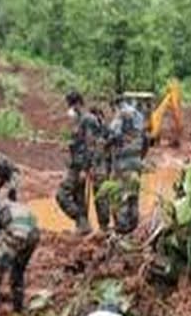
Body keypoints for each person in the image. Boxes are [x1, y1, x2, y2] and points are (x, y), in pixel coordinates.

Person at [56, 91, 109, 234]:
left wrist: (86, 169)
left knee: (63, 194)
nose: (70, 109)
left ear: (78, 103)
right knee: (78, 196)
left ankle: (101, 228)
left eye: (72, 105)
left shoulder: (88, 120)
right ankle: (83, 225)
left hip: (85, 166)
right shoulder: (79, 121)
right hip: (76, 165)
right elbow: (79, 144)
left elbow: (91, 145)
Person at [108, 97, 147, 234]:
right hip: (136, 163)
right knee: (133, 195)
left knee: (120, 196)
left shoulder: (120, 116)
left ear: (115, 105)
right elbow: (146, 140)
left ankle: (123, 229)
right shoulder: (139, 117)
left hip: (122, 163)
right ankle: (133, 226)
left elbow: (114, 137)